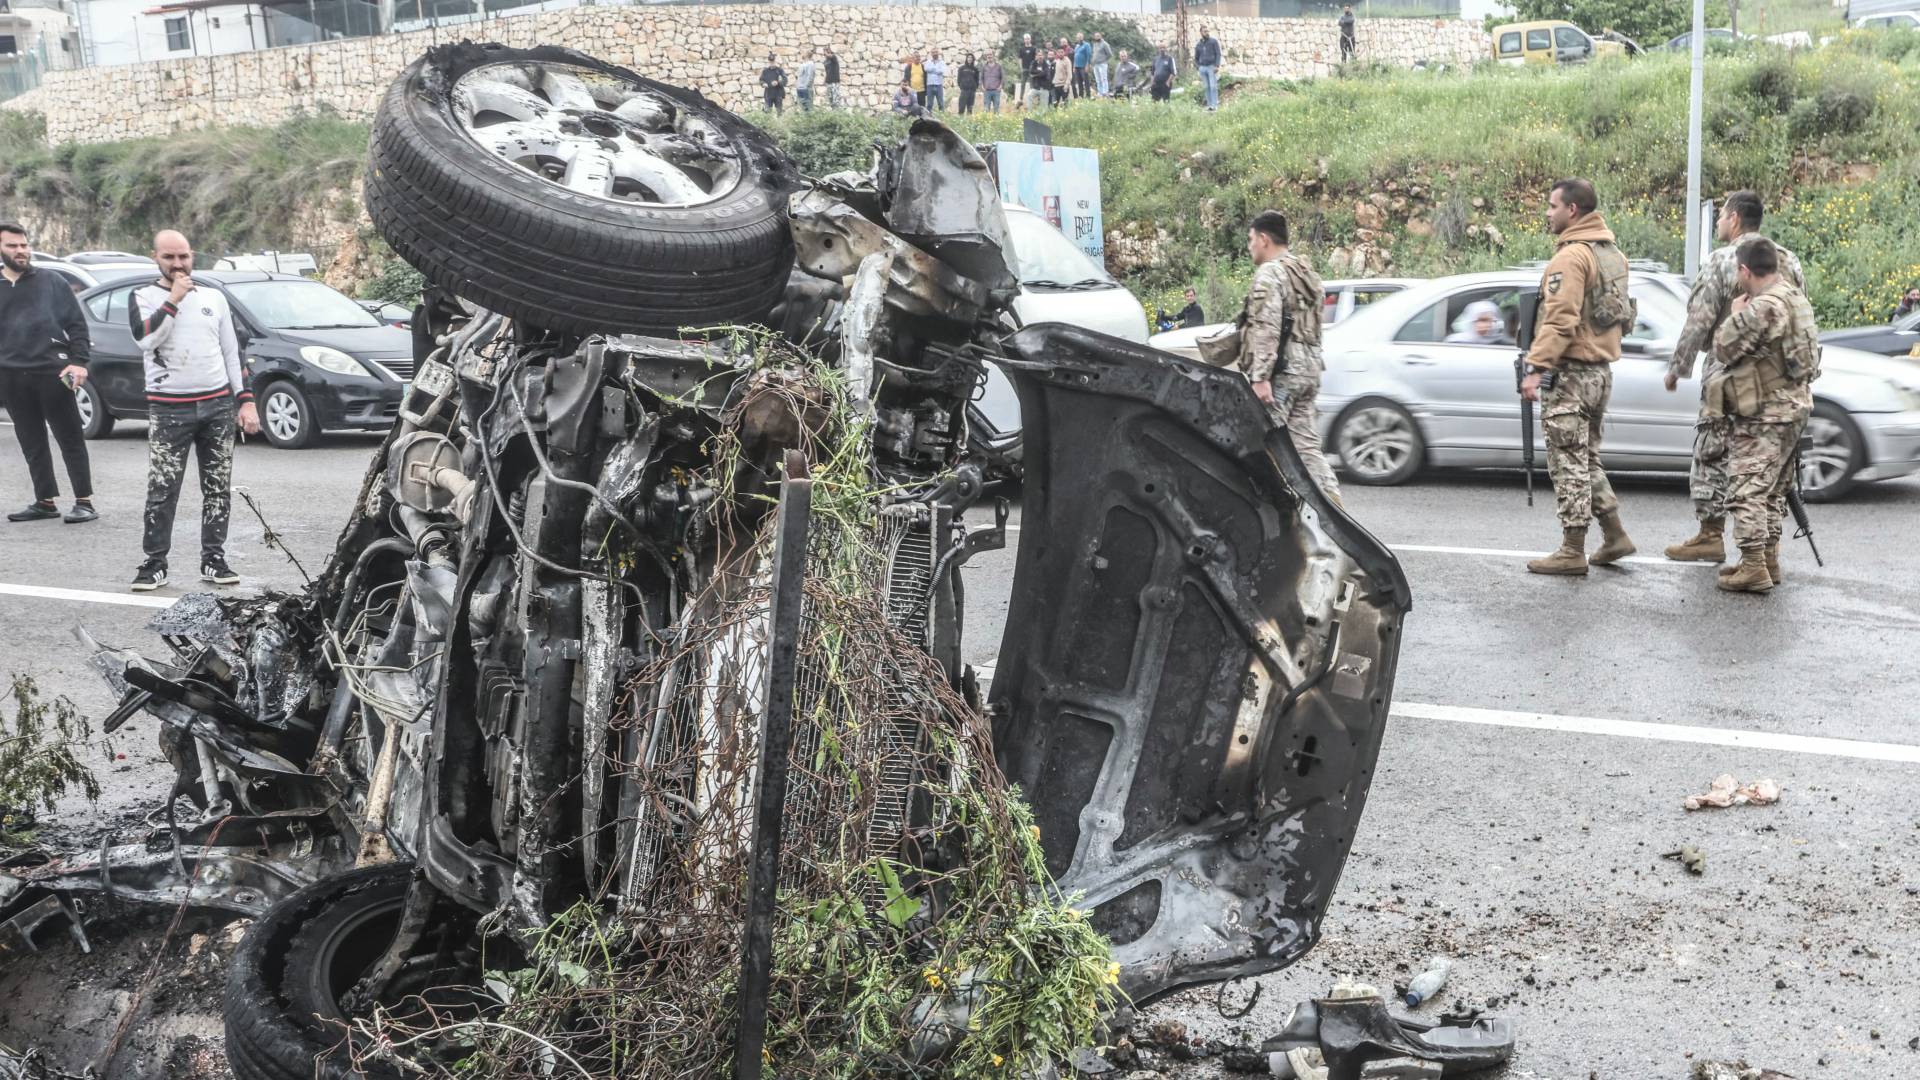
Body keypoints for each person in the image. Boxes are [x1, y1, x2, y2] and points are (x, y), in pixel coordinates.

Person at [1661, 190, 1805, 566]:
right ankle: (1768, 549)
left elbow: (1700, 319)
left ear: (1735, 219)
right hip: (1777, 378)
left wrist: (1679, 368)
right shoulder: (1789, 260)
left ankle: (1711, 534)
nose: (1720, 223)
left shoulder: (1723, 261)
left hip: (1728, 371)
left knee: (1713, 450)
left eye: (1722, 216)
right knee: (1771, 464)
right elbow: (1798, 311)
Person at [129, 230, 261, 591]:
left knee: (218, 487)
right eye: (169, 257)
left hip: (216, 405)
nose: (178, 264)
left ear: (192, 256)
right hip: (169, 408)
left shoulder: (214, 297)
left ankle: (214, 559)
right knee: (162, 489)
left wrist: (245, 400)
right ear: (155, 256)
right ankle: (154, 562)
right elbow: (145, 338)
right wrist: (173, 299)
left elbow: (231, 352)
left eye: (184, 256)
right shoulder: (142, 296)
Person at [1517, 179, 1637, 577]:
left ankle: (1572, 549)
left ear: (1573, 211)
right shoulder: (1612, 255)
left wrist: (1536, 368)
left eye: (1552, 206)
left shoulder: (1571, 258)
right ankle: (1615, 534)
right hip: (1600, 374)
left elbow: (1561, 319)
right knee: (1586, 460)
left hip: (1571, 375)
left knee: (1567, 462)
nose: (1547, 213)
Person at [1710, 238, 1821, 593]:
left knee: (1746, 489)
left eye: (1737, 272)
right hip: (1796, 405)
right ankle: (1769, 559)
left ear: (1745, 270)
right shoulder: (1794, 297)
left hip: (1767, 413)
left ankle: (1754, 566)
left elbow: (1724, 347)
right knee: (1774, 489)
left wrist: (1735, 311)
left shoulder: (1764, 306)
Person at [1237, 211, 1342, 504]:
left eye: (1251, 240)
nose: (1249, 247)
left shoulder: (1270, 273)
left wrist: (1260, 378)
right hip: (1308, 371)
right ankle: (1333, 509)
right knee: (1306, 448)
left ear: (1264, 239)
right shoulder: (1307, 273)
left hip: (1281, 375)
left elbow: (1267, 326)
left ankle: (1270, 515)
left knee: (1260, 442)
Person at [0, 222, 96, 525]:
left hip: (55, 373)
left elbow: (77, 326)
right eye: (13, 246)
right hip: (12, 376)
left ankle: (84, 502)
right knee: (31, 440)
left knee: (70, 437)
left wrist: (79, 362)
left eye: (24, 245)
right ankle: (45, 501)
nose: (21, 251)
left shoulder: (51, 281)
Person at [1444, 300, 1509, 344]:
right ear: (1470, 320)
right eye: (1482, 320)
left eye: (1491, 321)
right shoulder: (1456, 342)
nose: (1488, 324)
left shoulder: (1499, 343)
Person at [1195, 26, 1222, 110]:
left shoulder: (1213, 42)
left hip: (1211, 67)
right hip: (1203, 68)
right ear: (1201, 33)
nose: (1207, 33)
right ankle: (1209, 105)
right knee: (1206, 87)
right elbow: (1196, 58)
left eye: (1207, 31)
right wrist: (1199, 67)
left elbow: (1218, 54)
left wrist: (1217, 65)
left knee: (1213, 86)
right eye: (1205, 31)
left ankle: (1215, 105)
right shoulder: (1198, 45)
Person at [1016, 34, 1037, 108]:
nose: (1027, 40)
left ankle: (1032, 98)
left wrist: (1034, 68)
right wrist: (1021, 68)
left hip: (1031, 69)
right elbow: (1020, 59)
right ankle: (1020, 99)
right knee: (1022, 84)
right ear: (1024, 40)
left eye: (1028, 39)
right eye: (1025, 39)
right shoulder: (1022, 49)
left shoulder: (1033, 48)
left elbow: (1035, 59)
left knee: (1032, 84)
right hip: (1024, 69)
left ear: (1030, 39)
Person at [1089, 32, 1113, 97]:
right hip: (1095, 64)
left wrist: (1104, 60)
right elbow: (1094, 54)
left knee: (1103, 78)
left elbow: (1110, 54)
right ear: (1094, 37)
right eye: (1096, 36)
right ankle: (1100, 92)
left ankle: (1105, 92)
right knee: (1098, 79)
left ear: (1101, 36)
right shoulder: (1095, 44)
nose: (1097, 37)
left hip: (1102, 64)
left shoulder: (1105, 44)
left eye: (1098, 36)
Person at [1072, 33, 1091, 99]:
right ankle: (1081, 96)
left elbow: (1089, 55)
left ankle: (1088, 96)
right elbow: (1075, 56)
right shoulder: (1076, 46)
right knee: (1079, 82)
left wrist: (1087, 65)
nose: (1079, 38)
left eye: (1080, 37)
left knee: (1086, 81)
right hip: (1077, 66)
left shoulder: (1086, 45)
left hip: (1083, 66)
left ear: (1082, 37)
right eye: (1077, 37)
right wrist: (1074, 66)